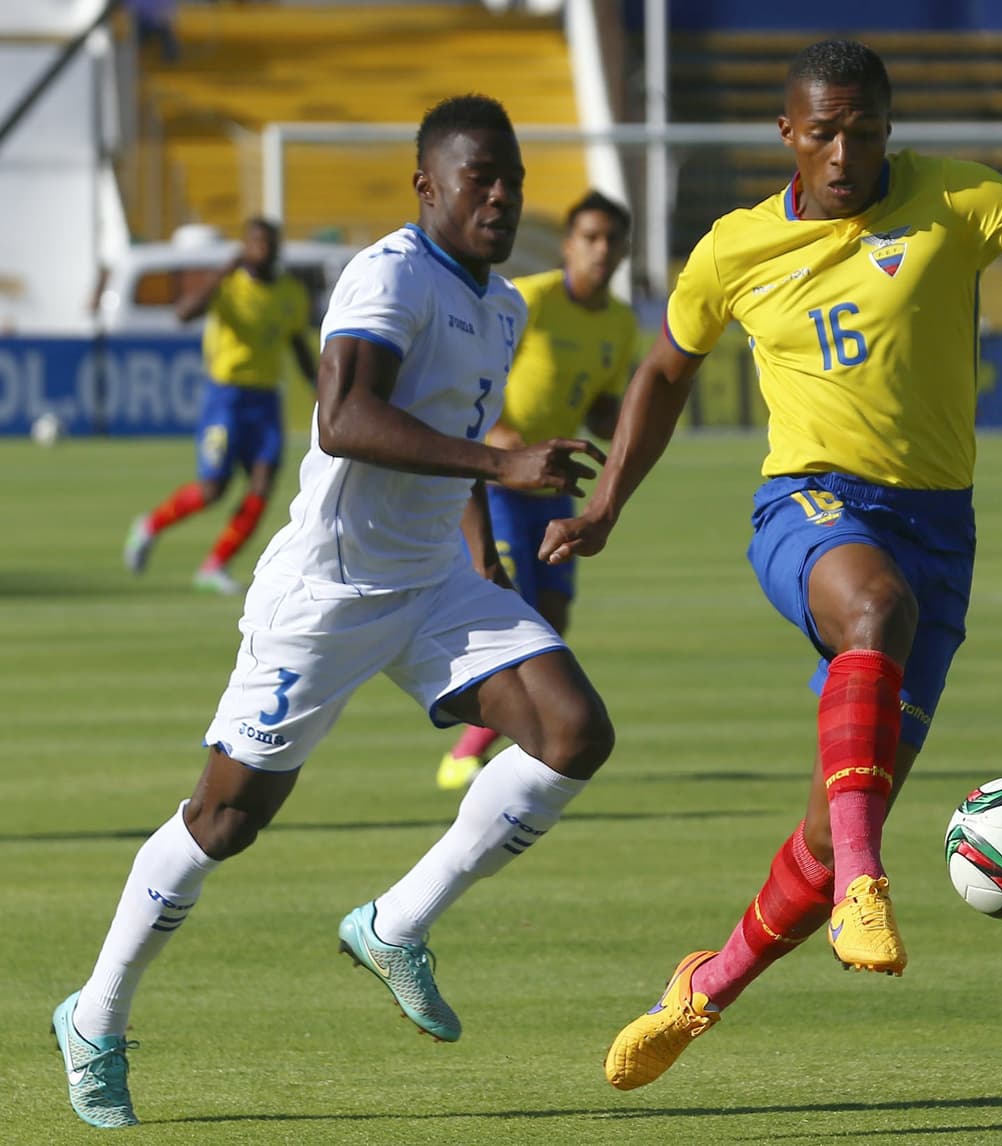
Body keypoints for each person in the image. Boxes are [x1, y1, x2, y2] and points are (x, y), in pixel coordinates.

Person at [539, 39, 1002, 1091]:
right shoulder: (732, 249)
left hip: (938, 535)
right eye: (821, 131)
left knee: (833, 822)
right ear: (786, 133)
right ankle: (868, 886)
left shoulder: (953, 199)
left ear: (886, 128)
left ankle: (700, 991)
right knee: (870, 608)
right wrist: (603, 507)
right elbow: (662, 371)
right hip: (808, 506)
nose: (842, 151)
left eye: (862, 130)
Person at [53, 94, 614, 1130]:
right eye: (477, 176)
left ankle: (395, 922)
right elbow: (346, 417)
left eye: (512, 179)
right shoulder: (389, 274)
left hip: (434, 586)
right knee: (224, 820)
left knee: (574, 731)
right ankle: (95, 1018)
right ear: (426, 186)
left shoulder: (503, 306)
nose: (499, 194)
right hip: (328, 591)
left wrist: (480, 534)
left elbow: (455, 439)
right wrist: (499, 460)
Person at [437, 189, 637, 790]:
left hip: (554, 481)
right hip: (499, 478)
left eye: (612, 241)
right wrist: (501, 442)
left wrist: (625, 419)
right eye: (590, 238)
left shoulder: (620, 323)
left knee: (551, 614)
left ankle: (473, 747)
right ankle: (474, 748)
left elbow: (599, 402)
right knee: (510, 606)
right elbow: (477, 380)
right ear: (570, 244)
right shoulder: (530, 301)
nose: (601, 251)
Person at [122, 217, 315, 596]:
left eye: (268, 242)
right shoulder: (227, 286)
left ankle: (215, 565)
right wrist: (224, 270)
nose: (261, 249)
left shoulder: (291, 292)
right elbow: (184, 313)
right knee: (214, 488)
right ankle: (149, 526)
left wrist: (318, 386)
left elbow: (297, 344)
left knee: (262, 486)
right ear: (243, 247)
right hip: (225, 398)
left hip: (265, 399)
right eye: (254, 242)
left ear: (276, 248)